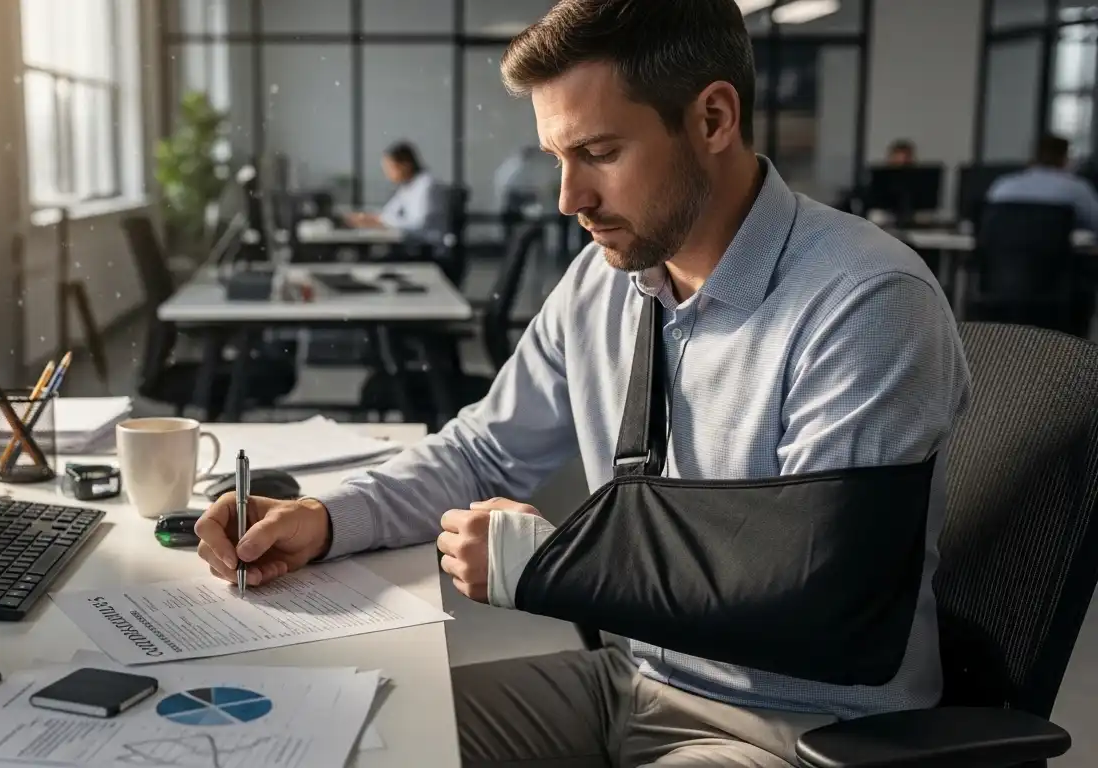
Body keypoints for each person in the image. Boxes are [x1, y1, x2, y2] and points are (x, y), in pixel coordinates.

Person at [197, 0, 971, 765]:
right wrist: (324, 518)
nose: (570, 200)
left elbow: (822, 600)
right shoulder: (602, 284)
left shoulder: (864, 301)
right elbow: (480, 454)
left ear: (712, 120)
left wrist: (551, 565)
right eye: (557, 159)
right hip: (631, 681)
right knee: (340, 744)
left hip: (793, 726)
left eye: (599, 153)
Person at [988, 133, 1098, 231]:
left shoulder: (1003, 184)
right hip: (1056, 252)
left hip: (1004, 252)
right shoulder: (1076, 188)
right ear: (1065, 158)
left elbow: (988, 223)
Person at [345, 141, 440, 232]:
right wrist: (369, 218)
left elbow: (418, 224)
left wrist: (382, 221)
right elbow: (388, 213)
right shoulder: (406, 187)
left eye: (390, 168)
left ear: (406, 165)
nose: (387, 174)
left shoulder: (426, 186)